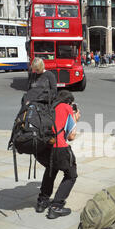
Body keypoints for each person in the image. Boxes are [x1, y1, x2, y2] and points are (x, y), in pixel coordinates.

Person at [35, 89, 81, 219]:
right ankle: (56, 206)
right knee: (71, 174)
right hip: (59, 147)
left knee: (51, 169)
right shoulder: (66, 107)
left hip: (44, 147)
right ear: (69, 101)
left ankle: (42, 202)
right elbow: (71, 136)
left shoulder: (50, 106)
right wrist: (75, 119)